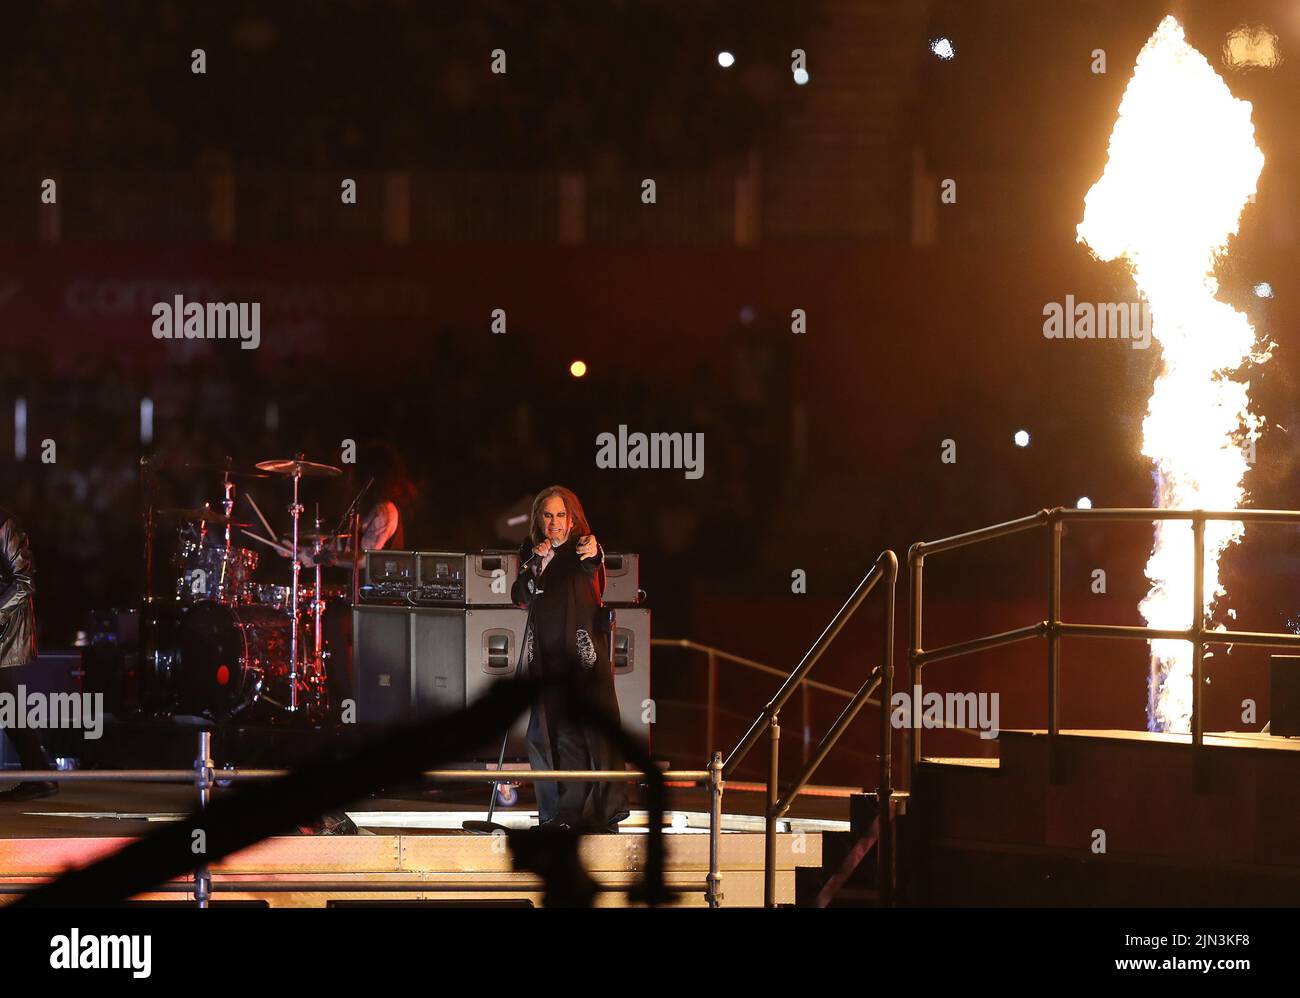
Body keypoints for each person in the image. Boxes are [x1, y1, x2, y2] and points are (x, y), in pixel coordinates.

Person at [512, 486, 629, 833]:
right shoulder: (531, 552)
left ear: (572, 517)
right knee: (550, 732)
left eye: (561, 515)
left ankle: (602, 814)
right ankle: (560, 813)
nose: (554, 523)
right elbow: (520, 596)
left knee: (587, 731)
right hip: (546, 656)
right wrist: (538, 566)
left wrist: (596, 550)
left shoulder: (583, 547)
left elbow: (594, 562)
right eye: (548, 515)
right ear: (538, 519)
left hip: (581, 657)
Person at [0, 509, 55, 802]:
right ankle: (41, 774)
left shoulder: (5, 526)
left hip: (7, 630)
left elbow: (24, 582)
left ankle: (41, 775)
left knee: (8, 703)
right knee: (8, 704)